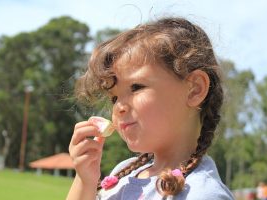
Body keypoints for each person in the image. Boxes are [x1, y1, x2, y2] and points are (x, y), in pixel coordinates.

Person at [66, 17, 234, 200]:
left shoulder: (202, 194)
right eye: (114, 98)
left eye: (136, 87)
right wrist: (85, 181)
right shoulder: (123, 174)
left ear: (194, 89)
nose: (119, 108)